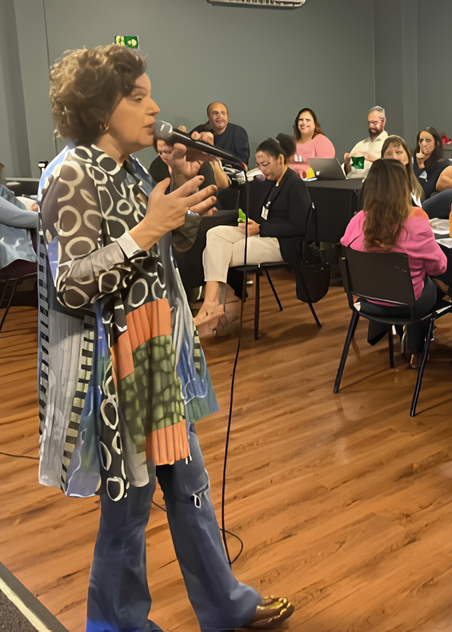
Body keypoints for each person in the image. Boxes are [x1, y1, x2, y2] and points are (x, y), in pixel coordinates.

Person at [39, 44, 293, 630]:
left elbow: (166, 255)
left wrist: (180, 212)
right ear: (103, 109)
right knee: (127, 513)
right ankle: (116, 625)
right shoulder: (70, 173)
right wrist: (148, 228)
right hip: (113, 370)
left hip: (156, 355)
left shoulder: (132, 169)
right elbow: (69, 285)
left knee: (191, 487)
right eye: (138, 97)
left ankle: (226, 606)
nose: (155, 108)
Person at [195, 133, 312, 331]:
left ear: (280, 159)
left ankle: (212, 304)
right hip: (264, 234)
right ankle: (213, 305)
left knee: (217, 253)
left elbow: (300, 226)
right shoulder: (272, 182)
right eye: (259, 165)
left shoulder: (294, 184)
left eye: (265, 164)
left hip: (283, 244)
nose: (262, 169)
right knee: (213, 235)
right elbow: (264, 214)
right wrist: (253, 223)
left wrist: (262, 228)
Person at [340, 159, 447, 366]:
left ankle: (413, 341)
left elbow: (346, 249)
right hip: (408, 305)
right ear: (403, 188)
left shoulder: (357, 220)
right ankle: (417, 347)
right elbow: (440, 266)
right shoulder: (416, 224)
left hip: (368, 301)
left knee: (418, 279)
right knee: (436, 284)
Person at [343, 105, 389, 179]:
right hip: (350, 182)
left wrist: (365, 157)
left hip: (371, 185)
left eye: (374, 123)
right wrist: (347, 163)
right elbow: (353, 166)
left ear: (383, 122)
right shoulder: (360, 144)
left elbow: (386, 165)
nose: (371, 126)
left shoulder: (388, 143)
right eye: (369, 122)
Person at [289, 107, 336, 178]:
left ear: (315, 124)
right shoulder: (291, 142)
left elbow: (324, 166)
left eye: (308, 120)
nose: (304, 123)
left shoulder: (321, 140)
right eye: (301, 120)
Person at [382, 135, 425, 204]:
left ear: (408, 157)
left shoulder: (417, 187)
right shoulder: (376, 186)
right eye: (389, 154)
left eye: (399, 152)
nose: (394, 157)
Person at [413, 126, 448, 200]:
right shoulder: (412, 163)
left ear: (437, 143)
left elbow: (426, 190)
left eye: (428, 140)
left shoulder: (442, 166)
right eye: (421, 140)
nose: (424, 144)